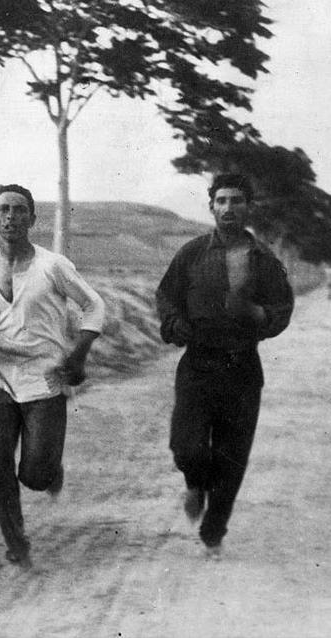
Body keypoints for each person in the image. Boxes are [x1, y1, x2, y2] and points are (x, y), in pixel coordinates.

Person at [0, 184, 105, 569]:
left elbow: (93, 305)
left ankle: (49, 470)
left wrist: (79, 353)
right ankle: (15, 541)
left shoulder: (52, 265)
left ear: (33, 219)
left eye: (20, 210)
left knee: (35, 474)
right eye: (3, 209)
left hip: (46, 374)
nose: (11, 217)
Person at [156, 174, 293, 558]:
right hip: (198, 363)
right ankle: (195, 483)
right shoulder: (193, 253)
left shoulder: (264, 260)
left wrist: (256, 313)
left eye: (236, 201)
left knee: (232, 458)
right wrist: (174, 324)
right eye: (221, 200)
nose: (229, 208)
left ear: (248, 207)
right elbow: (166, 295)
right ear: (211, 206)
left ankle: (213, 533)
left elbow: (283, 309)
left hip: (242, 368)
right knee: (187, 445)